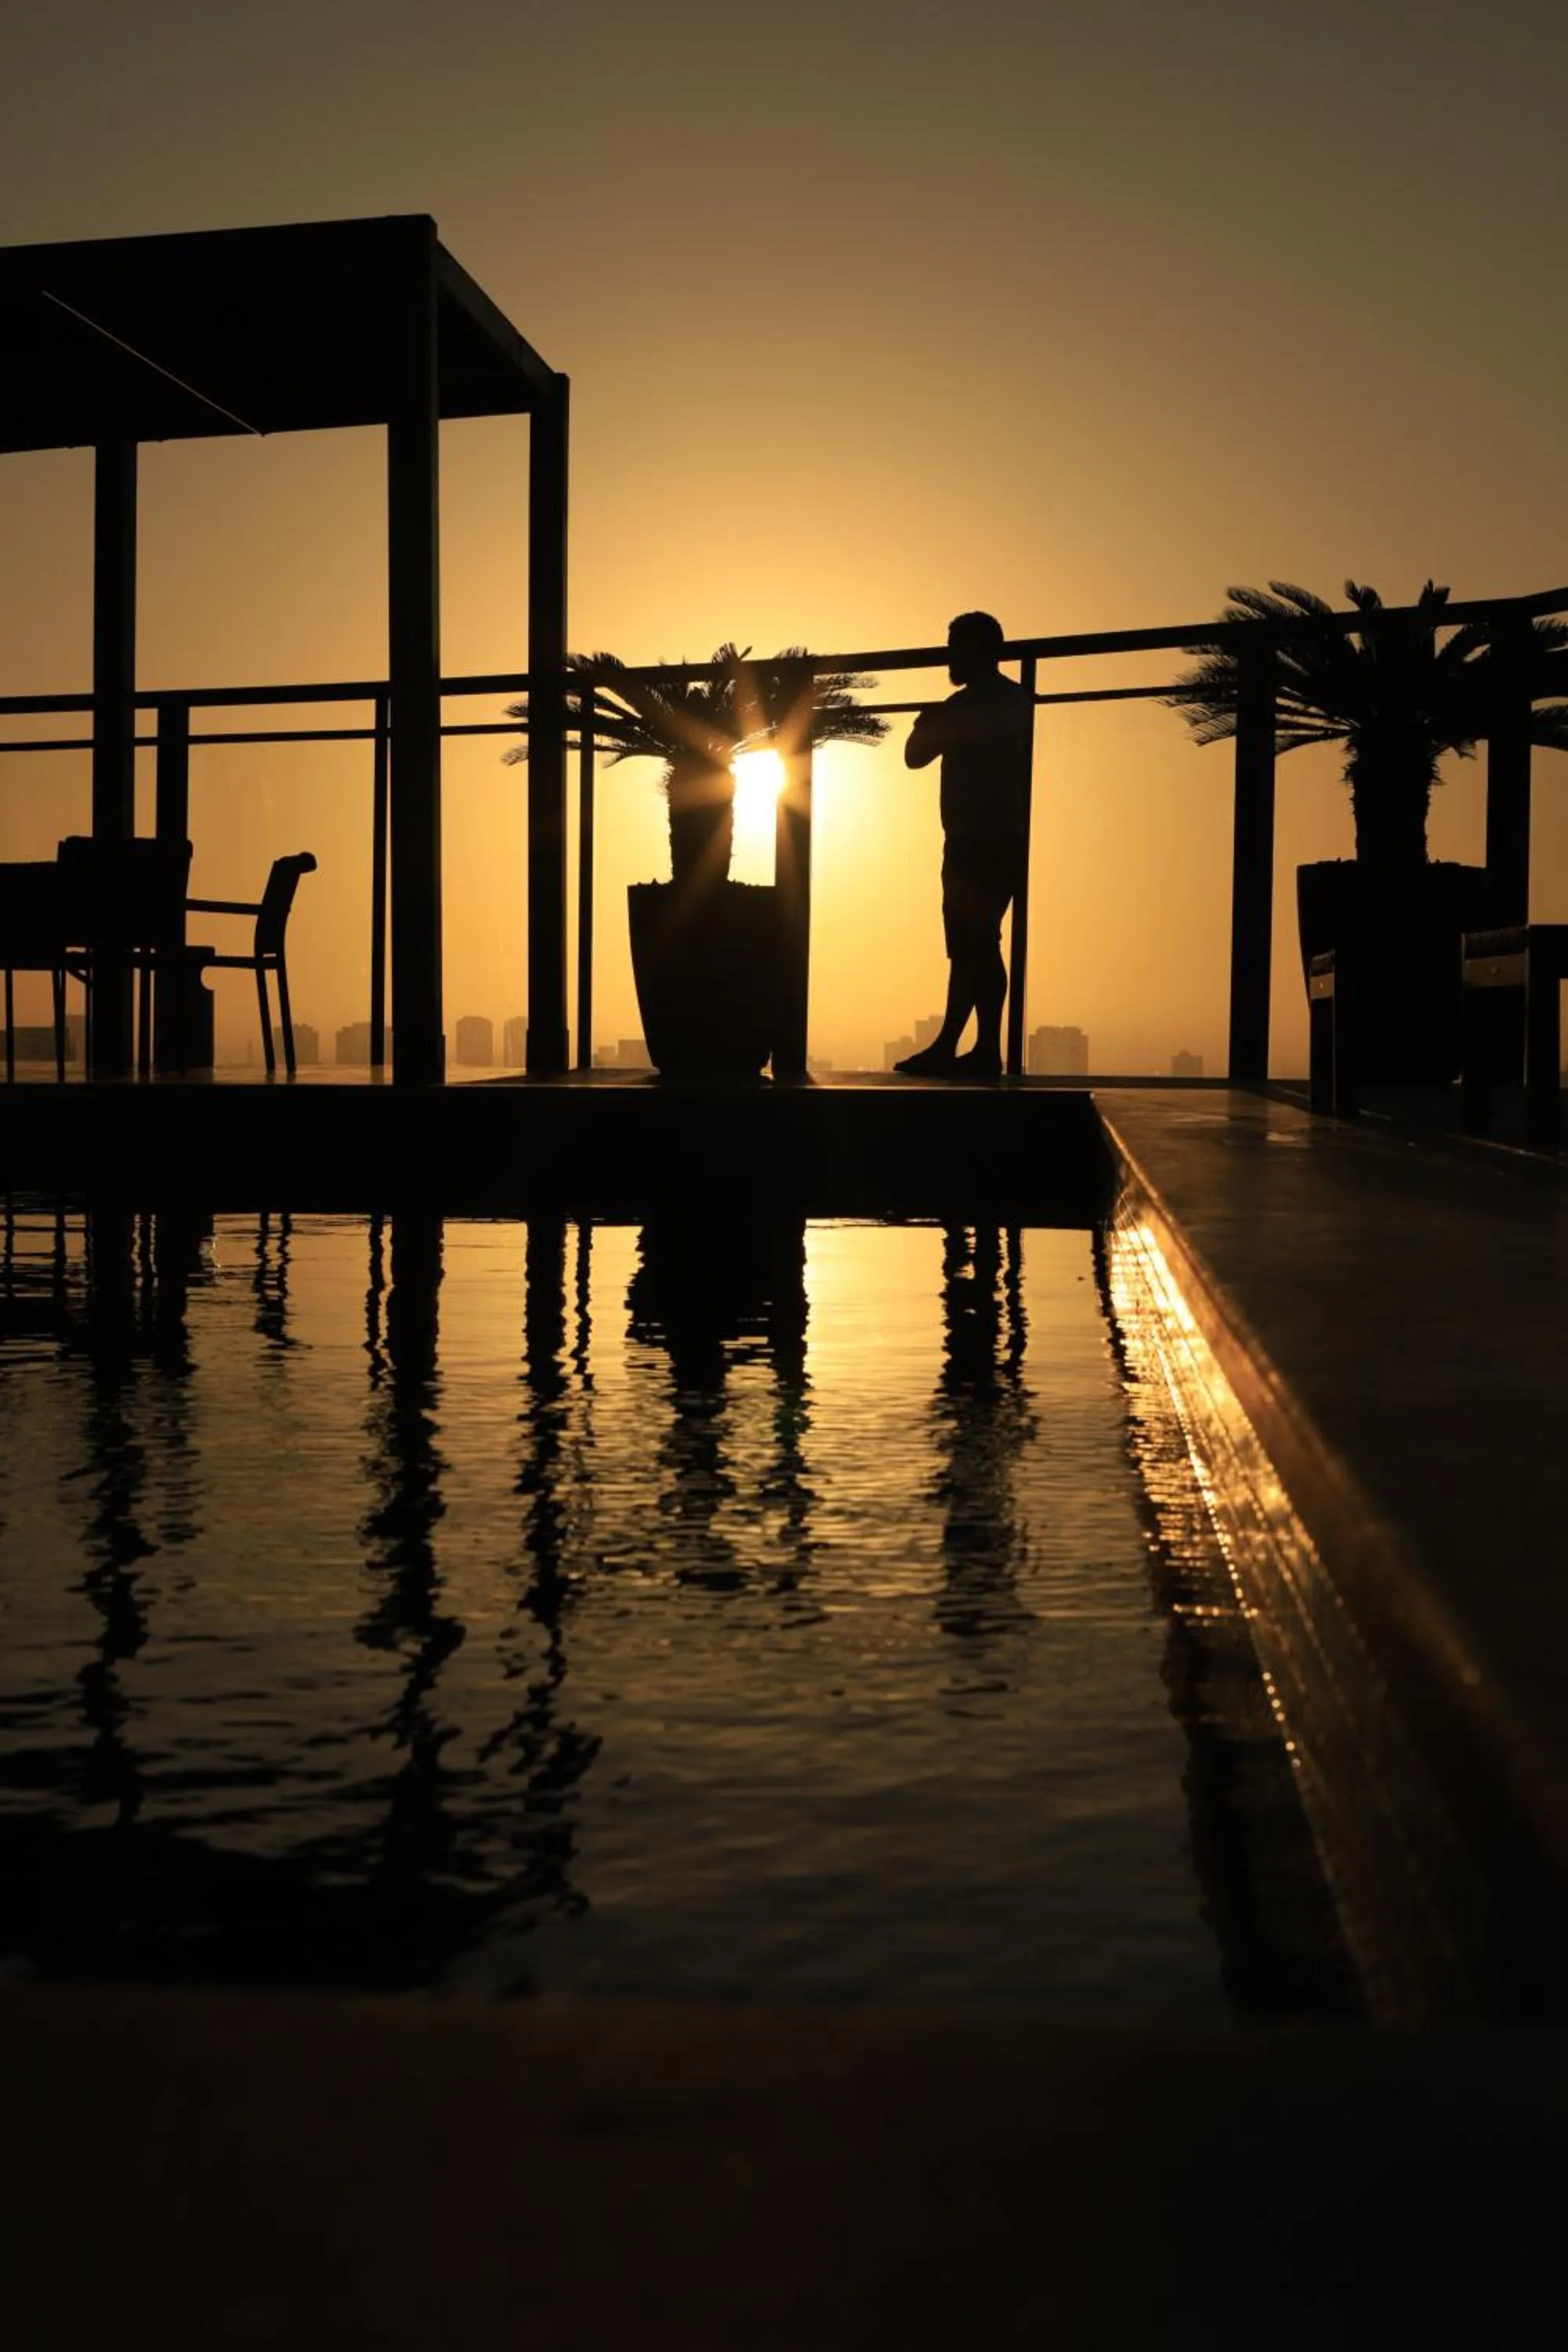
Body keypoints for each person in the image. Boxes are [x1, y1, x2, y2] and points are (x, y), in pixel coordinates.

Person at [895, 611, 1033, 1080]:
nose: (949, 655)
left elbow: (914, 756)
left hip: (972, 841)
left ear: (977, 650)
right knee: (980, 944)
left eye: (955, 646)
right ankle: (976, 1048)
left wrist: (924, 723)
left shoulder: (962, 707)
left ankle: (963, 1048)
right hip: (1007, 838)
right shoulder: (1017, 701)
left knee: (971, 945)